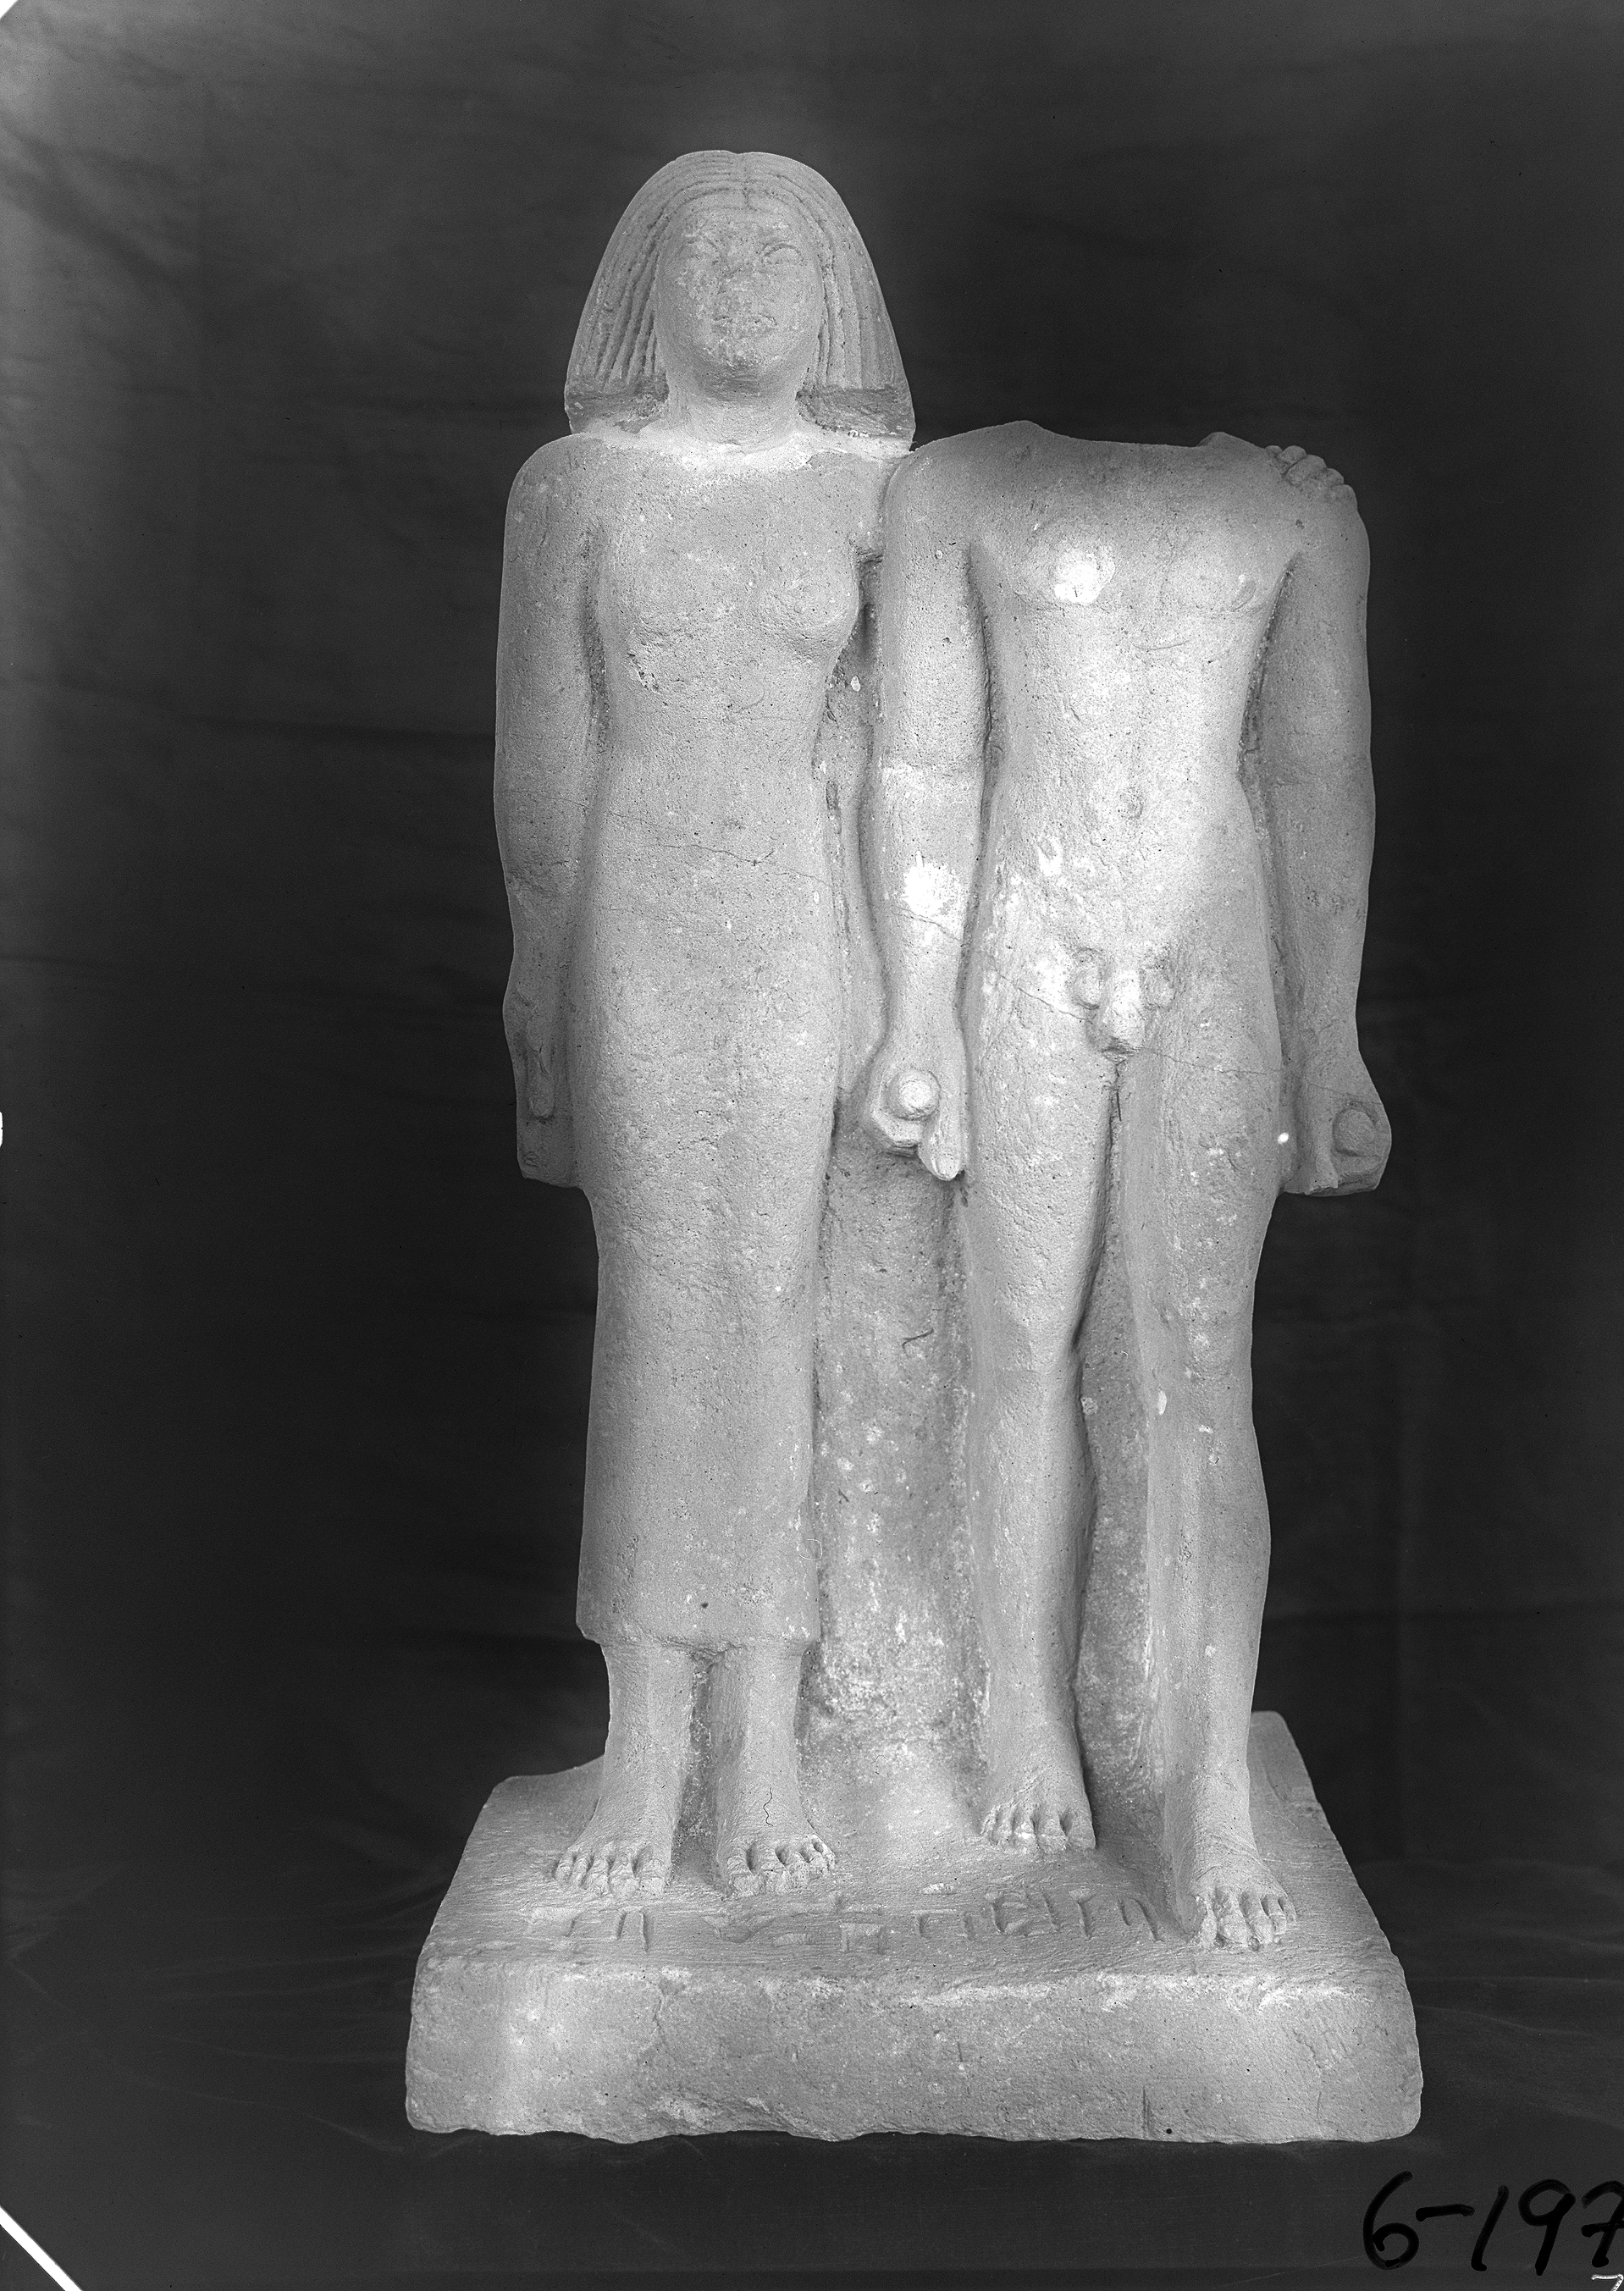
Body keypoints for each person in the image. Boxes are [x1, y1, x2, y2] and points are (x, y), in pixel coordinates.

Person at [863, 424, 1389, 1949]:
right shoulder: (955, 492)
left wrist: (1328, 1035)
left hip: (1209, 943)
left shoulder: (1292, 517)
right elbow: (924, 757)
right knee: (1018, 1340)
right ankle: (1024, 1711)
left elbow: (1317, 775)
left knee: (1199, 1369)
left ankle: (1210, 1783)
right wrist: (916, 1009)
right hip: (1027, 936)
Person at [494, 152, 912, 1897]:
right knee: (660, 1310)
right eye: (708, 252)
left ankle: (764, 1732)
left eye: (777, 253)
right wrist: (536, 966)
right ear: (642, 290)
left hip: (803, 932)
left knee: (781, 1305)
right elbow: (543, 751)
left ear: (830, 296)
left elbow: (898, 761)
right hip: (640, 926)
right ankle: (646, 1732)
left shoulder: (877, 492)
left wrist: (902, 987)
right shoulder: (576, 488)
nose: (742, 281)